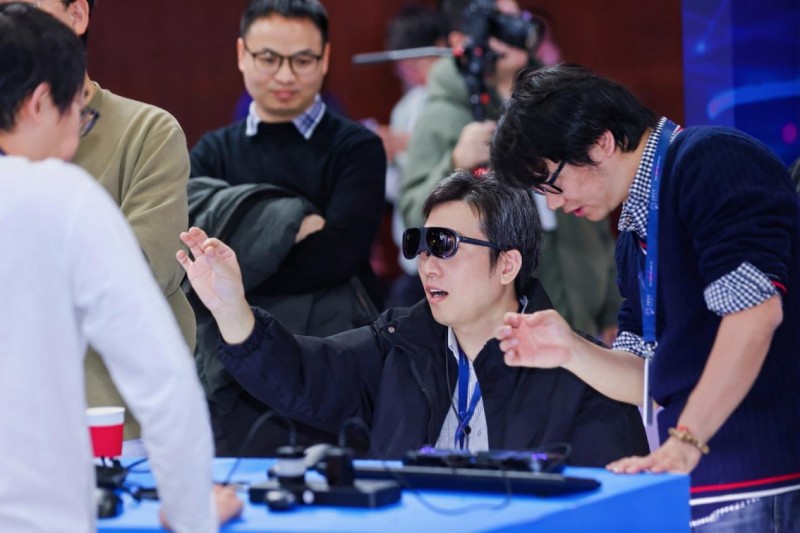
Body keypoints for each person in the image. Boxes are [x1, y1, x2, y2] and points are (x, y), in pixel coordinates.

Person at [491, 63, 800, 530]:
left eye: (551, 182)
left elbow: (754, 313)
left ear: (600, 141)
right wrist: (570, 350)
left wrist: (687, 439)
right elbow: (647, 380)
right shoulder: (634, 233)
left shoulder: (709, 160)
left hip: (763, 479)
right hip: (700, 483)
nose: (553, 202)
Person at [178, 172, 649, 462]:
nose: (427, 264)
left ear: (507, 265)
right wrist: (231, 308)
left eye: (445, 246)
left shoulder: (582, 372)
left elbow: (614, 508)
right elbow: (304, 375)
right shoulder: (399, 344)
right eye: (420, 244)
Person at [0, 4, 241, 530]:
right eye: (76, 116)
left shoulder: (145, 133)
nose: (75, 139)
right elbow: (162, 380)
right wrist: (193, 511)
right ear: (40, 103)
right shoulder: (64, 197)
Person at [188, 0, 386, 455]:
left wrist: (238, 262)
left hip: (332, 354)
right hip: (232, 360)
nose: (284, 76)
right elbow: (195, 256)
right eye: (268, 58)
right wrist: (293, 225)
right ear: (242, 54)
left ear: (325, 58)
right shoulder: (212, 152)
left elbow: (340, 255)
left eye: (302, 60)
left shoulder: (356, 148)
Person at [5, 0, 197, 447]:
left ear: (78, 15)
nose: (14, 23)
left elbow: (140, 274)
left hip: (117, 419)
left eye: (27, 7)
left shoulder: (148, 131)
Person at [398, 0, 620, 344]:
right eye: (498, 23)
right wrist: (454, 164)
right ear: (462, 39)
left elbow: (596, 203)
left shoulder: (557, 103)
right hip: (508, 331)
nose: (516, 31)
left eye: (518, 19)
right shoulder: (442, 114)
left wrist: (613, 306)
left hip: (587, 315)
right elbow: (415, 217)